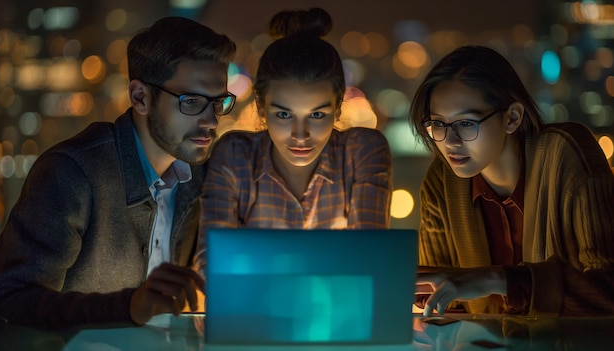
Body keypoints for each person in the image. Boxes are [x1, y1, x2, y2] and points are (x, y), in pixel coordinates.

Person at [0, 16, 236, 328]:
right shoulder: (72, 173)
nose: (211, 120)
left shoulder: (201, 177)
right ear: (140, 97)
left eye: (218, 102)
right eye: (192, 102)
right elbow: (4, 300)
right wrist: (128, 307)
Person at [410, 45, 614, 317]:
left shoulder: (565, 155)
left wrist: (500, 280)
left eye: (467, 123)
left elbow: (607, 289)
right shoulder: (442, 181)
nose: (450, 142)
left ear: (512, 118)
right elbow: (439, 301)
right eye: (438, 124)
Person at [194, 8, 392, 273]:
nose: (301, 134)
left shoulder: (361, 152)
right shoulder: (235, 155)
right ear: (262, 110)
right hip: (252, 315)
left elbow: (370, 260)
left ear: (338, 109)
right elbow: (211, 263)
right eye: (284, 114)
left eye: (318, 114)